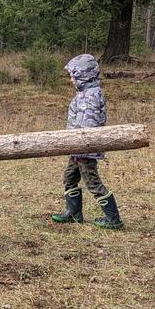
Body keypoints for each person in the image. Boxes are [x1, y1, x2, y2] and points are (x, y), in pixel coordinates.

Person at [52, 54, 124, 229]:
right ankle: (73, 213)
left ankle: (114, 218)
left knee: (92, 182)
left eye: (73, 76)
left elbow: (88, 125)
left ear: (83, 76)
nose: (71, 79)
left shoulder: (89, 97)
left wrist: (81, 150)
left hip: (84, 149)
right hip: (77, 148)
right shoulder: (87, 93)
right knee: (69, 177)